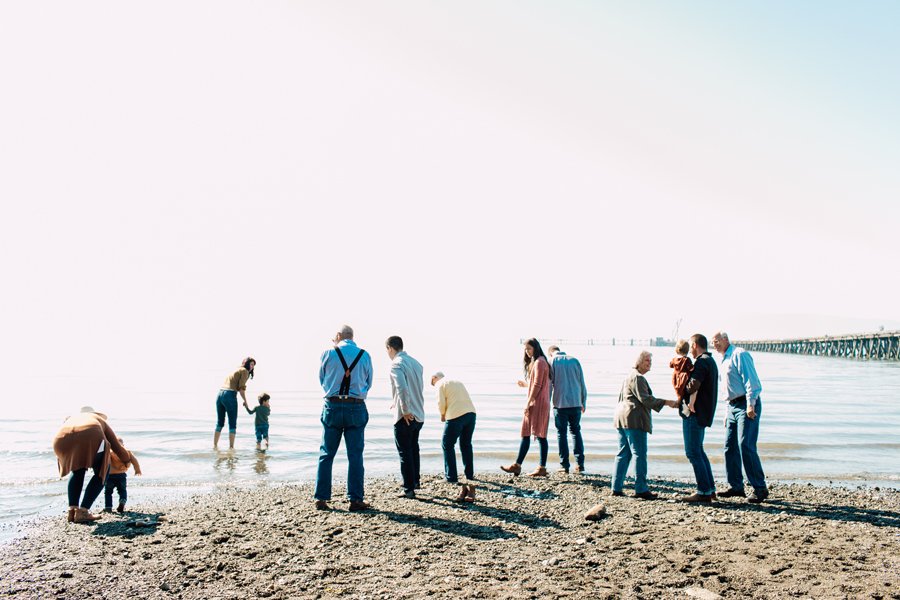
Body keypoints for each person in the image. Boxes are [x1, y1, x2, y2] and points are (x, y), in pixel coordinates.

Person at [314, 325, 373, 511]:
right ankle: (355, 499)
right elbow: (368, 382)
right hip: (355, 406)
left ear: (338, 336)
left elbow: (321, 379)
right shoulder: (364, 355)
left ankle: (321, 498)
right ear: (352, 336)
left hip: (332, 405)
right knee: (355, 455)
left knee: (326, 454)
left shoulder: (327, 353)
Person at [611, 351, 678, 499]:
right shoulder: (638, 378)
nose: (650, 363)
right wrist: (667, 402)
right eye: (647, 360)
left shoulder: (630, 376)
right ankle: (640, 488)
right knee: (639, 454)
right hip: (634, 420)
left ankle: (616, 487)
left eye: (650, 361)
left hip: (622, 418)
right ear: (639, 362)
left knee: (623, 453)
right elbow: (646, 400)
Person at [713, 331, 769, 503]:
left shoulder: (739, 354)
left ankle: (760, 488)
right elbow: (727, 389)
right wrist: (726, 413)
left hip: (746, 404)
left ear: (725, 340)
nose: (713, 344)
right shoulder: (723, 359)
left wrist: (751, 404)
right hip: (731, 406)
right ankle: (736, 486)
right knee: (729, 447)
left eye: (715, 341)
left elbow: (751, 381)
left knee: (746, 445)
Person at [53, 407, 132, 523]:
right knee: (102, 470)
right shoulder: (98, 419)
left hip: (59, 439)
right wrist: (127, 460)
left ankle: (72, 510)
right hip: (90, 434)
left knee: (77, 470)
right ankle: (83, 512)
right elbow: (116, 446)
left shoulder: (72, 418)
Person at [501, 338, 552, 477]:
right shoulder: (539, 362)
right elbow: (538, 384)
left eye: (529, 348)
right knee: (527, 433)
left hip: (538, 403)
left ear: (536, 348)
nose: (527, 352)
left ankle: (539, 467)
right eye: (525, 349)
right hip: (539, 402)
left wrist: (528, 403)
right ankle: (518, 465)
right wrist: (525, 385)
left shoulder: (540, 362)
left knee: (539, 435)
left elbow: (537, 386)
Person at [678, 334, 719, 503]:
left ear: (695, 345)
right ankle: (710, 490)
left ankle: (703, 491)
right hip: (703, 413)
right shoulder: (711, 361)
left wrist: (683, 386)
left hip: (695, 413)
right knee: (699, 451)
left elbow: (694, 385)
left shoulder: (702, 362)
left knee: (693, 452)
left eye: (691, 344)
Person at [386, 336, 425, 499]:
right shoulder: (416, 363)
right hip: (419, 413)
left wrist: (405, 409)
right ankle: (415, 480)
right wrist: (397, 403)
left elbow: (402, 388)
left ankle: (409, 488)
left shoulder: (396, 364)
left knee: (404, 452)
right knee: (413, 448)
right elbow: (416, 388)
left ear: (390, 348)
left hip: (406, 415)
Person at [432, 371, 477, 502]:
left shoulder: (439, 384)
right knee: (466, 444)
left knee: (447, 444)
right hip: (471, 413)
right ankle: (469, 474)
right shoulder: (457, 381)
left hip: (456, 415)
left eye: (432, 382)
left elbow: (441, 402)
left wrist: (442, 414)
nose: (433, 385)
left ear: (435, 378)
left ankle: (451, 476)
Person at [547, 345, 587, 474]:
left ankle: (564, 465)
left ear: (550, 353)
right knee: (576, 432)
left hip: (560, 404)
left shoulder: (552, 361)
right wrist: (583, 402)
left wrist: (547, 403)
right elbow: (582, 383)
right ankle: (580, 464)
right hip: (576, 403)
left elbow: (549, 385)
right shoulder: (575, 360)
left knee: (561, 434)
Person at [214, 357, 256, 450]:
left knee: (220, 423)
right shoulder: (245, 371)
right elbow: (241, 390)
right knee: (232, 424)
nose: (252, 367)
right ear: (246, 364)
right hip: (230, 395)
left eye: (253, 365)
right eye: (251, 364)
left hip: (220, 394)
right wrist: (245, 401)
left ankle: (215, 446)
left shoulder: (236, 369)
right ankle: (231, 448)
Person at [104, 437, 143, 513]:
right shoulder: (127, 451)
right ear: (123, 444)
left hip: (110, 476)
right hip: (121, 476)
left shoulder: (108, 452)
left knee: (108, 492)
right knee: (122, 490)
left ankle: (108, 507)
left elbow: (104, 463)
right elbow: (134, 460)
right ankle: (122, 501)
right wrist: (137, 469)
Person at [670, 339, 694, 415]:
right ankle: (683, 406)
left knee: (678, 392)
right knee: (683, 392)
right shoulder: (686, 360)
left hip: (676, 377)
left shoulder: (674, 359)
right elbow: (691, 368)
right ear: (687, 350)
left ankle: (679, 402)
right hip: (684, 378)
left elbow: (670, 365)